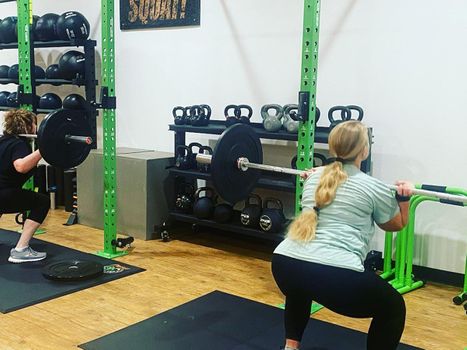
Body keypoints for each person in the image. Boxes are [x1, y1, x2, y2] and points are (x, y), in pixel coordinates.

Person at [272, 120, 413, 350]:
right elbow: (396, 224)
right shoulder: (373, 186)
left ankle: (290, 347)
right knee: (393, 307)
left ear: (332, 147)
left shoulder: (312, 179)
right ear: (364, 150)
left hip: (284, 263)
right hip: (335, 275)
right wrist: (404, 199)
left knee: (300, 287)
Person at [0, 109, 50, 263]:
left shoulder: (2, 141)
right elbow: (20, 166)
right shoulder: (19, 144)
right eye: (34, 123)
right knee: (42, 201)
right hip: (4, 193)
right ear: (28, 126)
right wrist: (45, 149)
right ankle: (21, 249)